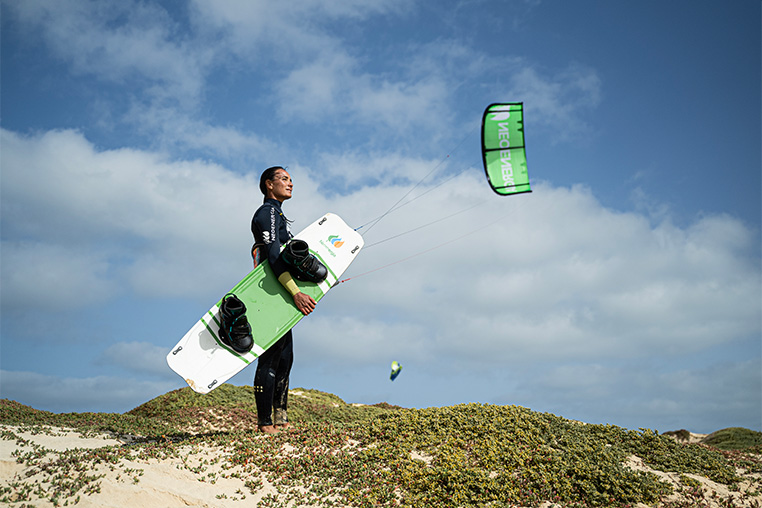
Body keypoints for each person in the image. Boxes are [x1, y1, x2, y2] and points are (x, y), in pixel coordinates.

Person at [250, 166, 316, 434]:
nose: (290, 183)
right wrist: (295, 292)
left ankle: (281, 419)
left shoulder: (278, 214)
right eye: (284, 179)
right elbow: (274, 258)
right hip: (270, 294)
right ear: (269, 184)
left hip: (279, 294)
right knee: (270, 357)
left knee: (285, 358)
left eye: (291, 180)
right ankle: (265, 424)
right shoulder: (267, 213)